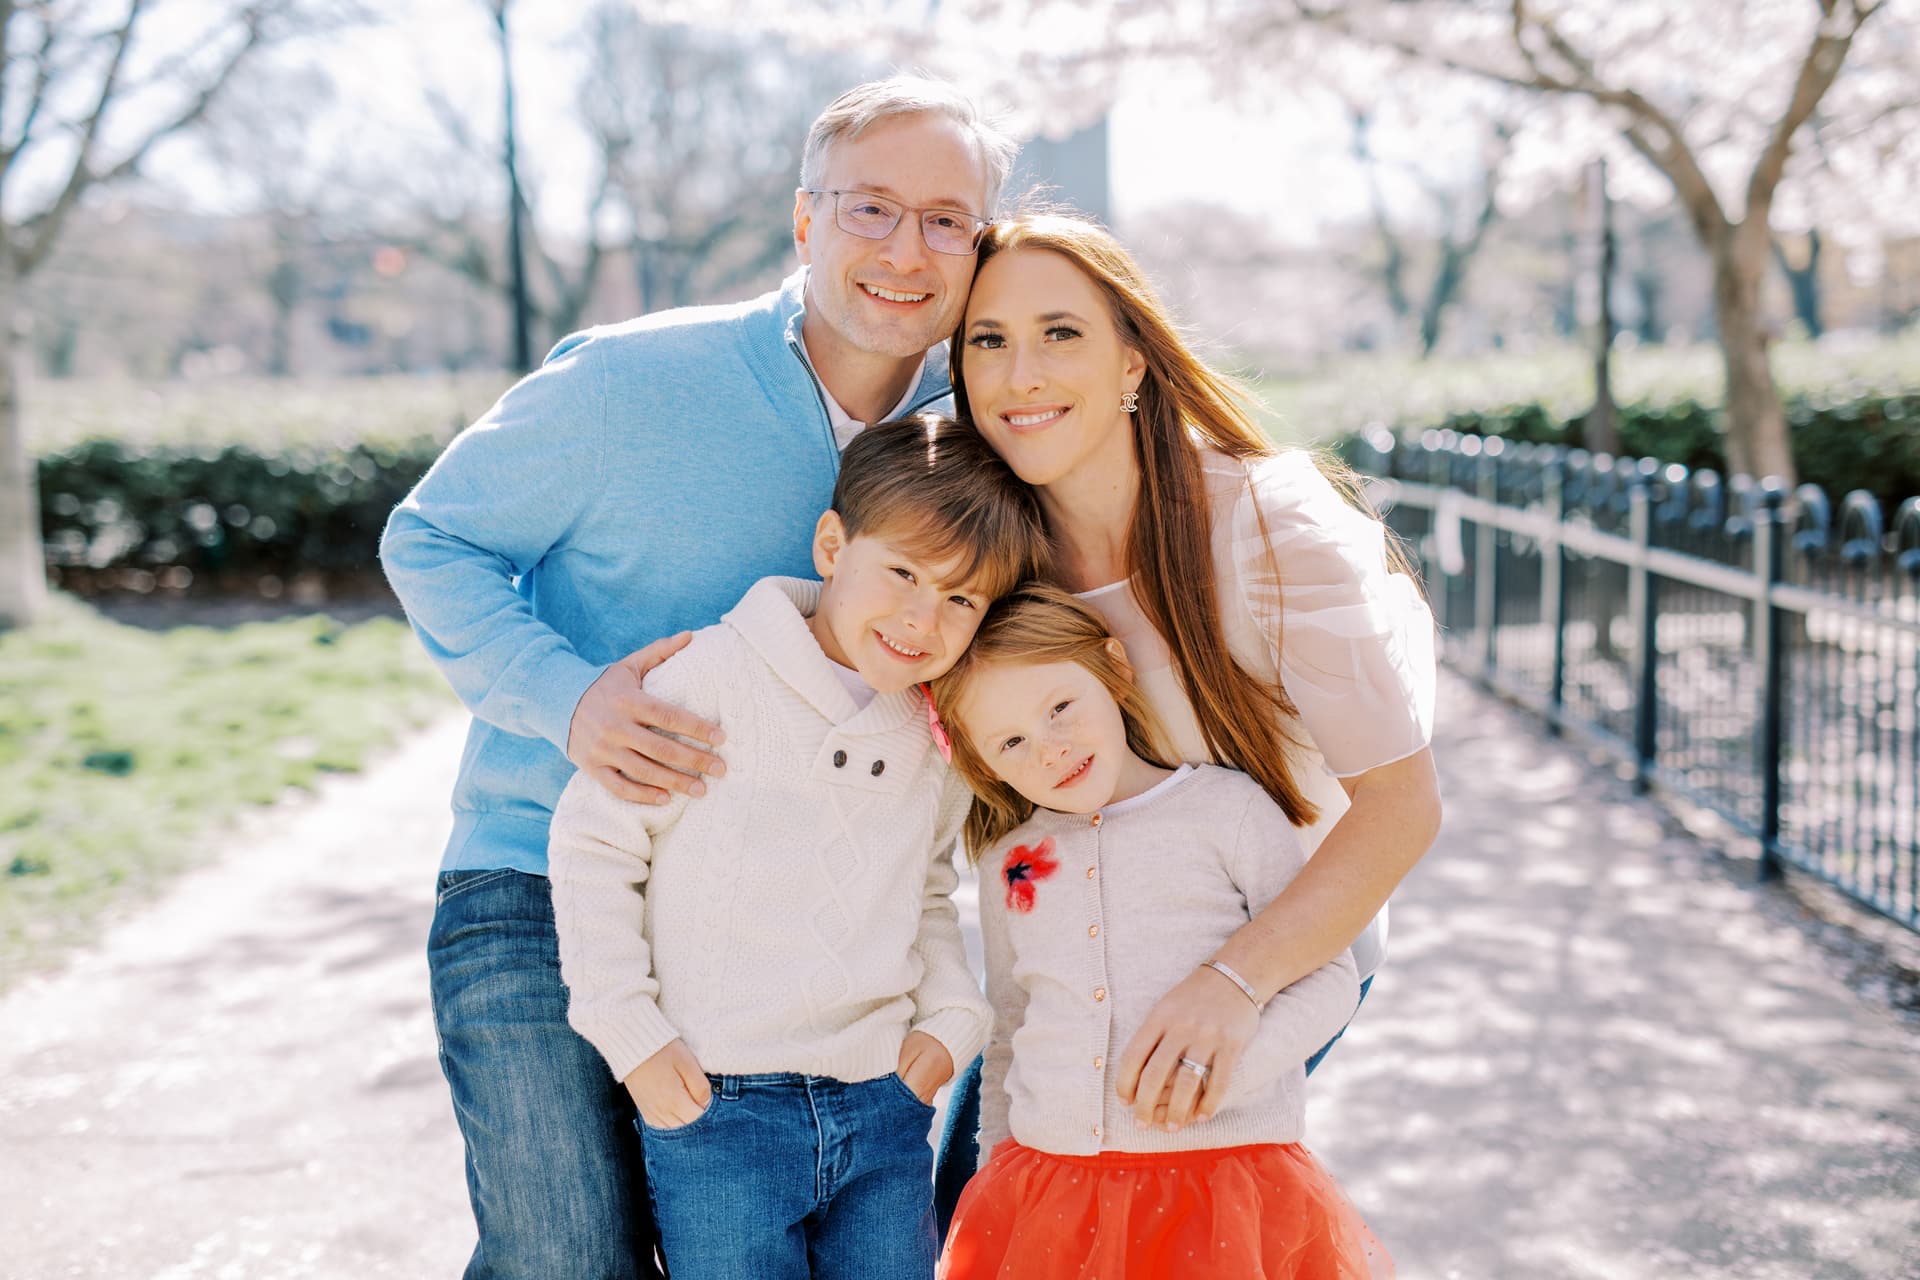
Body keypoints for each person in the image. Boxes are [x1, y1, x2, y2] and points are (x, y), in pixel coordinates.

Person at [379, 77, 1017, 1280]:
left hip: (805, 939)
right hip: (543, 878)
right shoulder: (632, 380)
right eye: (870, 208)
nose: (906, 248)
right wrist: (569, 698)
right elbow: (431, 537)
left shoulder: (971, 437)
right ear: (804, 221)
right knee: (568, 1256)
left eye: (947, 220)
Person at [932, 212, 1441, 1219]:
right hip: (1079, 951)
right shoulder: (994, 562)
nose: (1019, 372)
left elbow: (1401, 805)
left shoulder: (1267, 528)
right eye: (987, 340)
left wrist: (1234, 984)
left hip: (1277, 950)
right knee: (968, 1203)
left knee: (1167, 1211)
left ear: (1134, 361)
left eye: (1060, 332)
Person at [548, 416, 1047, 1280]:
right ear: (831, 545)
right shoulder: (708, 680)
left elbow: (924, 891)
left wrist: (951, 1021)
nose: (922, 618)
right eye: (902, 572)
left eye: (962, 600)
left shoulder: (936, 737)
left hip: (880, 1103)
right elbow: (595, 848)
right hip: (717, 1107)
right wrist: (632, 1036)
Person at [926, 584, 1391, 1278]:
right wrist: (996, 1166)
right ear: (981, 763)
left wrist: (1225, 1075)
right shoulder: (1009, 866)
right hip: (1048, 1192)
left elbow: (1329, 977)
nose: (1050, 750)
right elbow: (1009, 1030)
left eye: (1060, 707)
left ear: (1113, 667)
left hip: (1222, 1184)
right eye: (1012, 742)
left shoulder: (1225, 810)